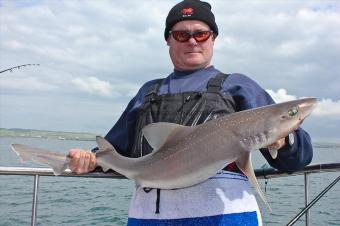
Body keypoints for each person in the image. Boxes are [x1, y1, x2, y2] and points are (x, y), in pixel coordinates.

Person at [69, 0, 313, 225]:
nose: (192, 41)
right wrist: (89, 159)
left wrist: (284, 141)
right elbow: (114, 152)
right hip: (149, 217)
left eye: (201, 34)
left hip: (226, 216)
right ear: (168, 40)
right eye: (181, 34)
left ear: (213, 38)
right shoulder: (148, 92)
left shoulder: (238, 86)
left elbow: (295, 161)